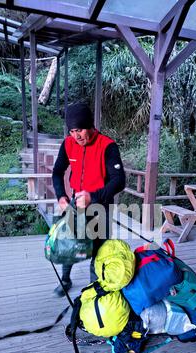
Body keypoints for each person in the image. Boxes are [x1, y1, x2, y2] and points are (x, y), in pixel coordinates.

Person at [52, 102, 126, 296]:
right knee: (68, 242)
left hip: (101, 205)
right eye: (72, 131)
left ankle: (94, 291)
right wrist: (61, 197)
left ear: (90, 126)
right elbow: (57, 172)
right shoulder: (68, 144)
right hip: (75, 203)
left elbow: (119, 181)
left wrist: (92, 197)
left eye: (80, 130)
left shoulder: (107, 146)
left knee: (99, 250)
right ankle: (66, 280)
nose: (76, 136)